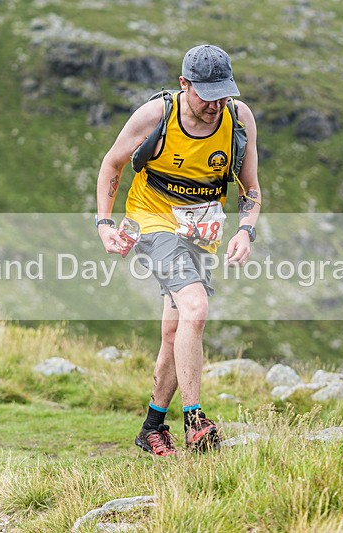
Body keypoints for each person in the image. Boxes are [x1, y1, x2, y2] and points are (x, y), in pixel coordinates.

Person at [95, 44, 261, 456]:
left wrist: (246, 231)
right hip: (151, 221)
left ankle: (152, 427)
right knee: (196, 307)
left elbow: (250, 188)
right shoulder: (157, 116)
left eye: (224, 93)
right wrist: (103, 222)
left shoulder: (239, 119)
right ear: (185, 84)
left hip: (201, 229)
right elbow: (111, 165)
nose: (216, 104)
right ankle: (195, 421)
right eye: (207, 94)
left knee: (175, 329)